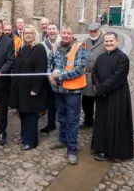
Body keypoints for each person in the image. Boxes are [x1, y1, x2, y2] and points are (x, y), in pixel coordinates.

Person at [47, 24, 87, 165]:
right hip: (58, 90)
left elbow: (79, 69)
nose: (65, 35)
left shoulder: (79, 47)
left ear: (72, 33)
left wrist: (59, 76)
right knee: (62, 117)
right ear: (60, 33)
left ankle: (72, 150)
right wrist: (49, 75)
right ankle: (63, 141)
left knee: (72, 121)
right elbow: (49, 62)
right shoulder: (56, 46)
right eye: (63, 33)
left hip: (73, 92)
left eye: (68, 33)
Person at [91, 31, 134, 161]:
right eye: (106, 41)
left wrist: (101, 88)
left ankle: (117, 152)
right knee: (102, 122)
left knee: (116, 122)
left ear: (117, 42)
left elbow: (117, 78)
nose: (108, 43)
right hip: (102, 96)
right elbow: (94, 73)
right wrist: (97, 86)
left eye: (111, 41)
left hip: (117, 96)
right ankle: (102, 149)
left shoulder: (123, 58)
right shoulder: (101, 57)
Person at [9, 25, 48, 150]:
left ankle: (31, 141)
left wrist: (36, 89)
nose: (28, 35)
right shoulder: (22, 48)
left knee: (31, 114)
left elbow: (41, 70)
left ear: (34, 34)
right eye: (26, 33)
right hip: (20, 87)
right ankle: (24, 136)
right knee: (22, 112)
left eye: (30, 33)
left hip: (32, 87)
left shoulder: (39, 49)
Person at [80, 23, 106, 129]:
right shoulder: (85, 41)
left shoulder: (104, 41)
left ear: (99, 30)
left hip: (100, 76)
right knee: (86, 101)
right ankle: (88, 120)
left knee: (100, 101)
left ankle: (101, 122)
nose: (93, 33)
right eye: (91, 31)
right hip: (86, 76)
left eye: (95, 31)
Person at [39, 22, 61, 133]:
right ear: (46, 31)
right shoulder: (42, 45)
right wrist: (49, 75)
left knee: (61, 102)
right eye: (49, 29)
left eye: (53, 28)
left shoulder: (63, 43)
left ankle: (63, 126)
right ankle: (51, 124)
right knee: (50, 101)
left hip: (62, 78)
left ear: (57, 30)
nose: (51, 31)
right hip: (48, 78)